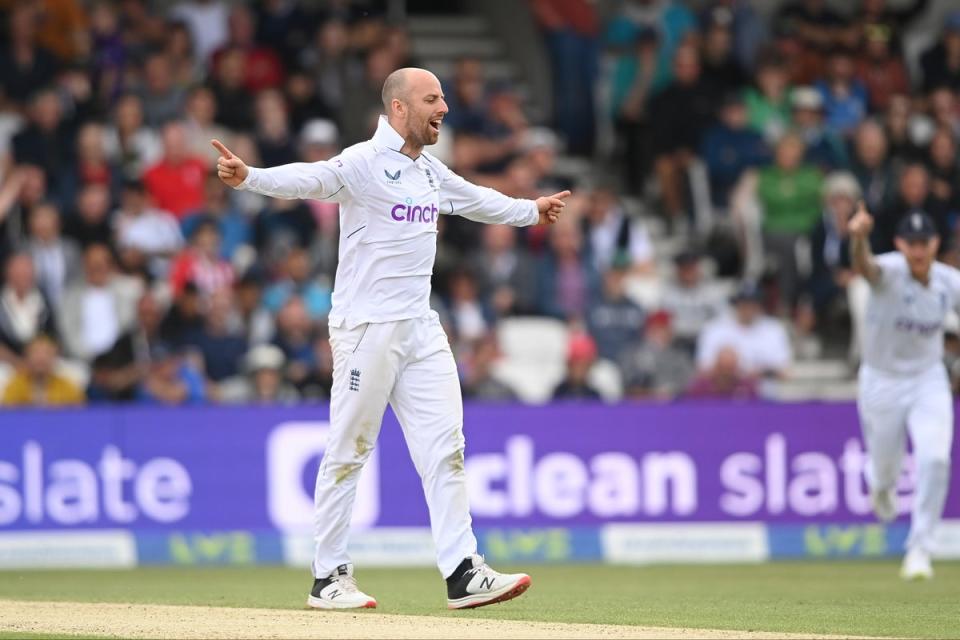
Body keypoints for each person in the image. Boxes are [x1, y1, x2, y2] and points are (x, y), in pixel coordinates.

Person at [212, 67, 569, 610]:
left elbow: (475, 198)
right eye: (432, 98)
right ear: (399, 109)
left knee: (447, 450)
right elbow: (309, 178)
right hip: (366, 329)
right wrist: (250, 177)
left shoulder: (427, 170)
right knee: (349, 449)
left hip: (420, 328)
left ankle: (462, 571)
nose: (443, 107)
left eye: (444, 97)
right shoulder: (361, 163)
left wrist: (529, 211)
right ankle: (328, 577)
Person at [848, 202, 957, 581]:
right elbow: (865, 267)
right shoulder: (889, 271)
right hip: (882, 380)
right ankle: (881, 487)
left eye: (924, 242)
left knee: (936, 460)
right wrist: (859, 237)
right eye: (911, 243)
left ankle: (920, 550)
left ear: (935, 243)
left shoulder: (948, 281)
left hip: (928, 379)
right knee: (885, 468)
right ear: (899, 244)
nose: (918, 250)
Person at [1, 334, 84, 407]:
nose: (41, 358)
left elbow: (80, 416)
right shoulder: (14, 387)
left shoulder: (68, 388)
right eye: (36, 353)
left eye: (47, 353)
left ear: (55, 357)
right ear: (26, 356)